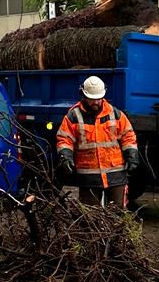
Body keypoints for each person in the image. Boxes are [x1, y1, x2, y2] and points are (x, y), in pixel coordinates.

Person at [56, 75, 139, 208]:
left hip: (115, 175)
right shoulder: (73, 116)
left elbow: (128, 136)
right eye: (92, 99)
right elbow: (64, 139)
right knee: (90, 217)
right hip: (88, 177)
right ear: (83, 96)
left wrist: (132, 156)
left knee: (118, 214)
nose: (96, 102)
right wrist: (65, 156)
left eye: (98, 99)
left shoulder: (115, 114)